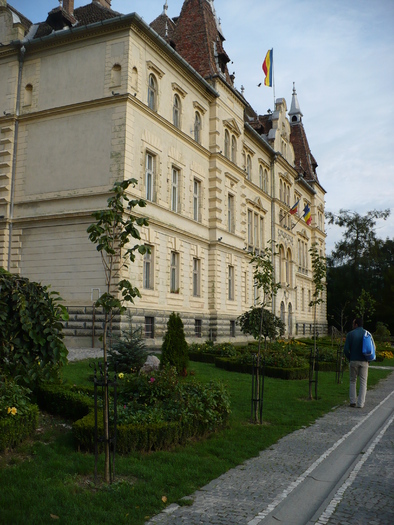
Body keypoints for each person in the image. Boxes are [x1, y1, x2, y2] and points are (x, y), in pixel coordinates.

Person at [344, 318, 369, 408]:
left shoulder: (350, 334)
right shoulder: (367, 334)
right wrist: (368, 359)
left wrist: (350, 357)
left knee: (352, 380)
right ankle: (361, 403)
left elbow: (346, 349)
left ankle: (352, 401)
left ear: (356, 324)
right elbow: (372, 348)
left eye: (353, 323)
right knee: (363, 382)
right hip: (364, 361)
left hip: (353, 360)